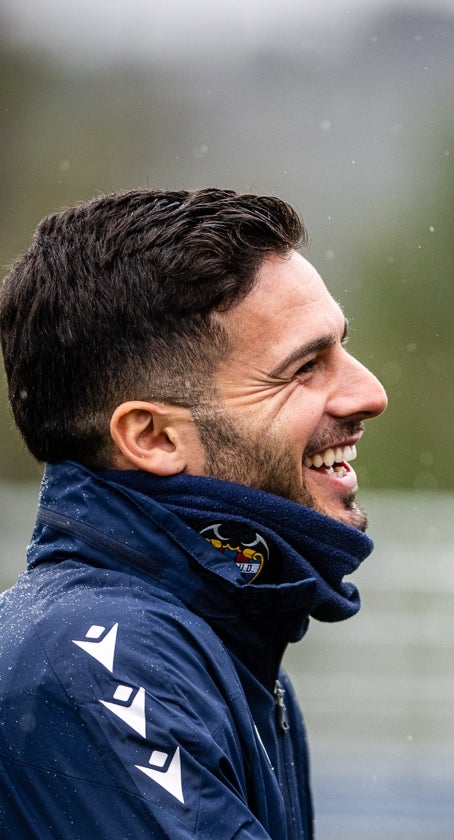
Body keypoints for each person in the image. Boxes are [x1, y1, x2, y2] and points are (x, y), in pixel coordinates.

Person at [0, 188, 388, 837]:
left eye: (342, 348)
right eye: (303, 368)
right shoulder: (101, 663)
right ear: (152, 437)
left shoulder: (213, 647)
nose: (369, 393)